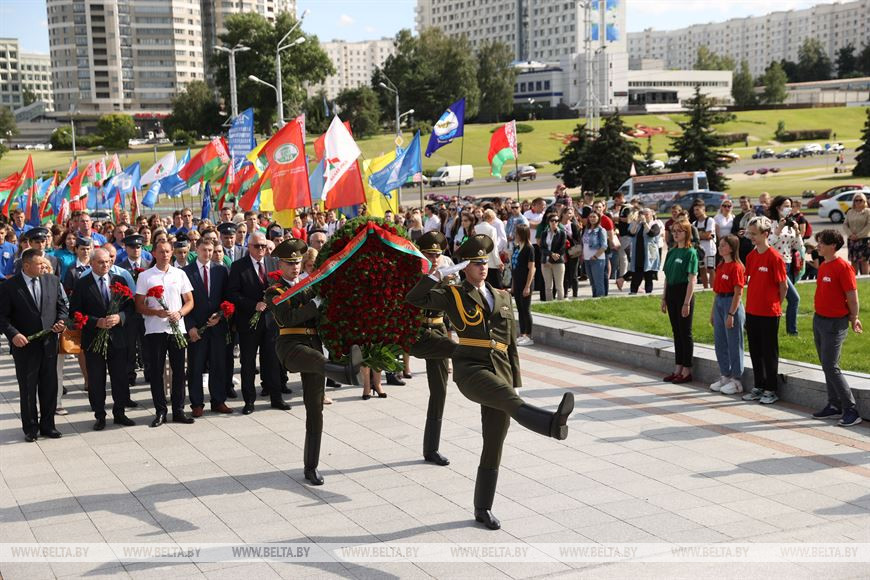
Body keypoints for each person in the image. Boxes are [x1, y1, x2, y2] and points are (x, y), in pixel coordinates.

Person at [406, 234, 574, 530]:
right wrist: (436, 276)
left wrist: (516, 380)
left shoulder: (503, 297)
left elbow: (511, 345)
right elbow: (414, 299)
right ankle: (550, 424)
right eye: (475, 263)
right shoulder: (454, 294)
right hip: (471, 368)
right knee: (508, 400)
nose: (482, 267)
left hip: (502, 370)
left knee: (494, 441)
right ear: (464, 267)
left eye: (485, 262)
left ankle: (483, 508)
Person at [266, 238, 363, 485]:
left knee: (315, 410)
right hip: (291, 345)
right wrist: (315, 304)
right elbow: (287, 319)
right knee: (318, 359)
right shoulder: (274, 290)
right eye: (289, 263)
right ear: (280, 264)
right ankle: (345, 373)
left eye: (298, 263)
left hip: (313, 343)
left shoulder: (310, 287)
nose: (295, 267)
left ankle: (311, 466)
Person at [0, 249, 68, 442]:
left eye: (45, 263)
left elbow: (62, 307)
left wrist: (61, 322)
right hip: (25, 346)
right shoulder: (10, 286)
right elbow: (2, 317)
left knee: (49, 387)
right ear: (26, 265)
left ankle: (48, 426)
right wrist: (14, 334)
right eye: (40, 264)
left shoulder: (52, 281)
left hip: (49, 344)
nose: (44, 267)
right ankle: (30, 428)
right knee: (28, 388)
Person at [406, 231, 460, 465]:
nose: (435, 259)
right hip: (417, 332)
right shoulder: (412, 277)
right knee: (460, 351)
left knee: (439, 391)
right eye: (430, 254)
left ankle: (431, 449)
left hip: (437, 329)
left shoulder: (447, 277)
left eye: (438, 255)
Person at [70, 248, 136, 431]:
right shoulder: (82, 284)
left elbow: (130, 307)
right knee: (96, 379)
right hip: (94, 339)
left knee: (120, 377)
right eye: (100, 262)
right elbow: (74, 313)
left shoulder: (119, 280)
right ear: (91, 263)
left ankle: (120, 412)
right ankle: (99, 415)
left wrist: (120, 317)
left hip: (117, 338)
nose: (105, 265)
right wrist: (95, 322)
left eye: (108, 261)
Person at [135, 240, 195, 427]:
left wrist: (180, 313)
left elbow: (189, 301)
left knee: (179, 371)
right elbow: (139, 305)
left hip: (177, 329)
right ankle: (160, 410)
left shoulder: (180, 274)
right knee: (156, 371)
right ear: (153, 253)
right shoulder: (145, 276)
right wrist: (155, 312)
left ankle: (179, 410)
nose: (165, 255)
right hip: (155, 330)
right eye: (161, 251)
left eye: (168, 251)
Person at [227, 231, 289, 414]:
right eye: (257, 246)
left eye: (263, 246)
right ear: (249, 247)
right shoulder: (239, 266)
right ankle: (249, 401)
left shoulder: (273, 263)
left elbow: (282, 286)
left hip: (271, 322)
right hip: (249, 322)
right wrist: (253, 305)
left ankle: (276, 398)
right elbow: (232, 293)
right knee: (248, 363)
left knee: (272, 361)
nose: (261, 249)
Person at [810, 229, 863, 427]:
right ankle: (834, 405)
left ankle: (851, 410)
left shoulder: (843, 267)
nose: (818, 246)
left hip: (835, 323)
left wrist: (854, 318)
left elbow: (852, 296)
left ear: (833, 245)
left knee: (831, 366)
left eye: (821, 243)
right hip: (819, 320)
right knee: (826, 365)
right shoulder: (824, 265)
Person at [183, 238, 233, 417]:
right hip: (196, 329)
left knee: (218, 365)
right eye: (204, 249)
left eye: (211, 250)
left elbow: (227, 298)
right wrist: (190, 326)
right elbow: (182, 301)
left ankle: (218, 401)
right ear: (196, 249)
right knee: (196, 366)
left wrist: (220, 315)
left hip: (217, 327)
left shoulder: (221, 270)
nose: (208, 253)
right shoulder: (186, 272)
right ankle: (197, 403)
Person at [742, 216, 788, 406]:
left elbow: (783, 286)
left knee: (769, 352)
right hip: (752, 310)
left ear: (766, 234)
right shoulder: (751, 256)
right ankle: (758, 386)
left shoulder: (775, 258)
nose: (751, 237)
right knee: (755, 351)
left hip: (769, 313)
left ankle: (771, 389)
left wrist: (776, 304)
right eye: (750, 233)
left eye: (754, 234)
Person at [661, 219, 698, 384]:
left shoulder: (690, 253)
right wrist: (664, 298)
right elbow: (667, 277)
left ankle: (686, 369)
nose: (675, 234)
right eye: (674, 231)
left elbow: (692, 280)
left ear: (687, 233)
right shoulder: (671, 252)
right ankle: (678, 367)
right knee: (676, 332)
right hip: (672, 292)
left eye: (679, 231)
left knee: (685, 332)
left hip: (684, 293)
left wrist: (686, 302)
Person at [709, 235, 746, 396]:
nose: (720, 247)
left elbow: (738, 293)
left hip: (731, 303)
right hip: (720, 302)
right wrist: (713, 312)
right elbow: (717, 292)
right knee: (720, 342)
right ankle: (725, 375)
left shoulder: (736, 267)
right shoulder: (721, 265)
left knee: (734, 342)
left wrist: (731, 314)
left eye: (723, 245)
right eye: (720, 245)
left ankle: (736, 380)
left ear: (731, 248)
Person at [767, 196, 802, 336]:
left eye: (790, 206)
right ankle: (792, 331)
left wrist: (797, 231)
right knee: (794, 298)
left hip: (788, 265)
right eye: (786, 205)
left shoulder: (791, 225)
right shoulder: (770, 223)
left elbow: (798, 246)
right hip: (775, 265)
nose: (789, 208)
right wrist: (778, 229)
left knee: (776, 299)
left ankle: (754, 324)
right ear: (778, 207)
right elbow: (768, 244)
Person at [510, 224, 536, 345]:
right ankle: (522, 333)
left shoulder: (529, 248)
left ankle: (529, 336)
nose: (515, 235)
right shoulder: (516, 247)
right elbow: (514, 268)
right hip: (517, 282)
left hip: (526, 283)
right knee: (520, 309)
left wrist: (527, 286)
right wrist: (513, 285)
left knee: (526, 309)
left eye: (517, 233)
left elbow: (531, 269)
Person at [628, 208, 661, 295]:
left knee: (648, 273)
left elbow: (651, 233)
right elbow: (631, 233)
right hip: (638, 252)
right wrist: (637, 222)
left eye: (646, 214)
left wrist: (645, 223)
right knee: (636, 272)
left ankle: (648, 291)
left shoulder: (655, 224)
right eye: (643, 214)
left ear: (651, 215)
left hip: (649, 252)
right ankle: (633, 290)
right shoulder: (638, 224)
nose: (644, 216)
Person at [539, 213, 566, 301]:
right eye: (552, 220)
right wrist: (551, 254)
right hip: (545, 262)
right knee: (548, 286)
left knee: (559, 285)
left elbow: (562, 248)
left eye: (556, 221)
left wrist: (552, 259)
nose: (554, 222)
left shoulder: (562, 233)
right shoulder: (544, 233)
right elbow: (542, 248)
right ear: (548, 222)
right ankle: (549, 303)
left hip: (558, 262)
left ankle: (561, 303)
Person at [843, 191, 870, 276]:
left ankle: (865, 279)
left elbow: (868, 225)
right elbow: (845, 224)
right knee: (853, 261)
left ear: (864, 201)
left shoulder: (868, 212)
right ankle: (854, 279)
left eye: (860, 200)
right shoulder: (850, 212)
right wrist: (850, 235)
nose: (858, 202)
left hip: (864, 240)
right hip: (852, 240)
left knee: (864, 261)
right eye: (856, 200)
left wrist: (858, 236)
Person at [582, 211, 608, 297]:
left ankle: (600, 297)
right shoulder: (586, 229)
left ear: (598, 218)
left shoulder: (601, 230)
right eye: (590, 217)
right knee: (592, 281)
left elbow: (604, 246)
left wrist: (596, 256)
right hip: (587, 259)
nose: (592, 219)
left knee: (598, 281)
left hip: (597, 259)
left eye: (594, 217)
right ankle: (594, 298)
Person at [691, 201, 716, 289]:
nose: (695, 212)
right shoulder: (694, 223)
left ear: (703, 209)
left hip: (710, 251)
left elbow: (707, 235)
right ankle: (705, 288)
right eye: (694, 210)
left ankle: (712, 288)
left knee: (711, 269)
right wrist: (703, 235)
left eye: (697, 210)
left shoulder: (710, 220)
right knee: (702, 269)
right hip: (699, 251)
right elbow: (693, 237)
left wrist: (701, 235)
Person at [560, 206, 583, 298]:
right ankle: (565, 293)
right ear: (563, 214)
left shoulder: (573, 225)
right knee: (564, 273)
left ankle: (575, 294)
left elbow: (577, 239)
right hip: (562, 252)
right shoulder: (558, 225)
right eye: (568, 213)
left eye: (571, 213)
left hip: (573, 252)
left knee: (573, 274)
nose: (571, 215)